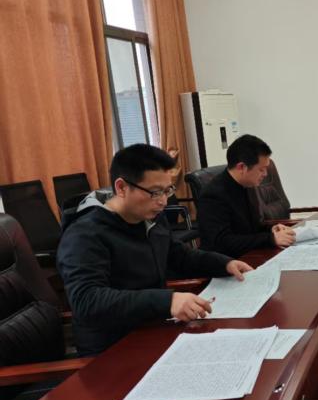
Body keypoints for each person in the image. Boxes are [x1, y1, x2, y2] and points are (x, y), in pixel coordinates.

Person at [57, 144, 253, 356]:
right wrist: (166, 301)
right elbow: (87, 300)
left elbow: (179, 256)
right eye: (155, 192)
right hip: (113, 349)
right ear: (121, 188)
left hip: (154, 330)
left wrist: (224, 263)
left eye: (167, 190)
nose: (163, 201)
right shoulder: (84, 234)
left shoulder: (150, 218)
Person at [198, 134, 296, 258]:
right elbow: (222, 243)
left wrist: (272, 229)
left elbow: (251, 228)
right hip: (226, 263)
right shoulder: (213, 195)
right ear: (242, 167)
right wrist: (270, 239)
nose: (265, 174)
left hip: (250, 255)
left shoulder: (247, 185)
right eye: (261, 169)